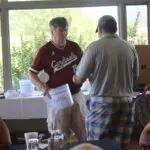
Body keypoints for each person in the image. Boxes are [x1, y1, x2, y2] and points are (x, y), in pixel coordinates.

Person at [73, 15, 139, 149]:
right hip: (126, 103)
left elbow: (79, 79)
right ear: (115, 29)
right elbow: (136, 76)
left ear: (100, 29)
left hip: (102, 104)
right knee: (120, 145)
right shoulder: (129, 47)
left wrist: (74, 77)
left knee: (97, 145)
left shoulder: (94, 47)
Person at [28, 17, 87, 141]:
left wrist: (84, 78)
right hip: (59, 96)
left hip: (77, 94)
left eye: (66, 30)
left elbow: (84, 67)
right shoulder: (45, 51)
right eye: (61, 30)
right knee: (60, 134)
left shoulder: (74, 47)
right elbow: (31, 73)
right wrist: (42, 86)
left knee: (81, 131)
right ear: (52, 31)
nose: (65, 33)